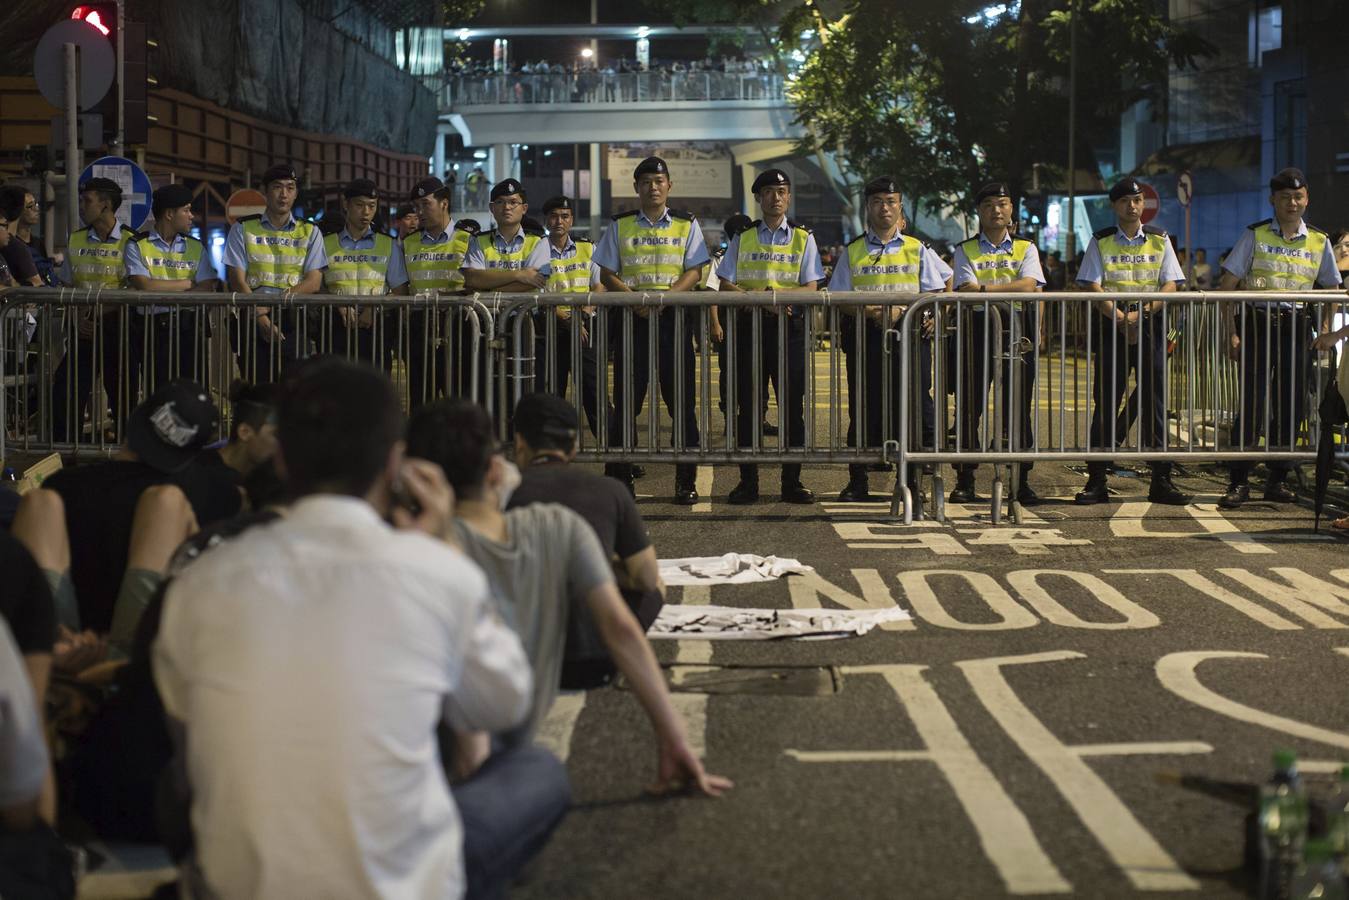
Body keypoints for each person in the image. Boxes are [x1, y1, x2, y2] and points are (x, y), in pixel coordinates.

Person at [153, 359, 565, 900]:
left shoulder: (199, 584)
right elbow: (507, 704)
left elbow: (187, 753)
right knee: (536, 770)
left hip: (241, 883)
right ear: (395, 462)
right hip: (398, 885)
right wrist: (443, 543)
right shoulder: (433, 571)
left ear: (280, 455)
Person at [407, 398, 731, 799]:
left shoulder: (404, 553)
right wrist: (674, 739)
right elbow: (624, 625)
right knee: (541, 770)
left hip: (396, 785)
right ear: (494, 469)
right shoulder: (557, 527)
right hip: (466, 785)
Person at [12, 381, 239, 656]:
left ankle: (51, 647)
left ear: (135, 418)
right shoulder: (212, 494)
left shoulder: (63, 486)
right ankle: (119, 659)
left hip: (55, 645)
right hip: (139, 649)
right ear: (193, 451)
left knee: (40, 503)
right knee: (166, 503)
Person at [507, 392, 664, 687]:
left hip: (524, 656)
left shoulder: (501, 496)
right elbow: (645, 578)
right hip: (595, 661)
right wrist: (598, 565)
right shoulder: (610, 490)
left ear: (520, 444)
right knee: (654, 581)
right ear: (575, 447)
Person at [1216, 167, 1342, 508]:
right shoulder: (1255, 235)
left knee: (1292, 403)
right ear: (1273, 200)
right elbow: (1227, 285)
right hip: (1257, 325)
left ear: (1307, 199)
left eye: (1298, 196)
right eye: (1285, 197)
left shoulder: (1318, 240)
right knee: (1253, 403)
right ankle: (1239, 481)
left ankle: (1277, 478)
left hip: (1298, 327)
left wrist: (1327, 330)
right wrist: (1231, 333)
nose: (1292, 202)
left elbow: (1332, 288)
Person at [593, 156, 710, 503]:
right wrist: (634, 300)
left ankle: (685, 480)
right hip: (632, 323)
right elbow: (606, 274)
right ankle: (618, 479)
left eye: (659, 181)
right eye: (646, 182)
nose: (653, 187)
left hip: (673, 321)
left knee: (682, 405)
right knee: (628, 404)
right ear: (636, 188)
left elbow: (695, 271)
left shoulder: (687, 225)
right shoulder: (620, 225)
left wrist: (664, 299)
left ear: (669, 186)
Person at [828, 176, 951, 503]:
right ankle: (858, 480)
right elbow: (838, 296)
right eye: (878, 202)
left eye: (891, 201)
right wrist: (866, 311)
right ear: (868, 207)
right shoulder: (853, 250)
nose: (885, 208)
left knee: (910, 404)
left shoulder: (917, 249)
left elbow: (936, 293)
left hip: (909, 338)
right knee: (863, 405)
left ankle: (910, 481)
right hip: (866, 338)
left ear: (900, 207)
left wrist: (920, 313)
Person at [1072, 179, 1191, 507]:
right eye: (1125, 201)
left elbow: (1171, 285)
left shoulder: (1159, 239)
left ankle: (1161, 480)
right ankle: (1097, 480)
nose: (1132, 206)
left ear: (1143, 204)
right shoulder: (1101, 241)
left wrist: (1141, 314)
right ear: (1115, 206)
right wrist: (1122, 319)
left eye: (1137, 200)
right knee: (1107, 401)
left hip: (1151, 324)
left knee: (1154, 403)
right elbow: (1092, 286)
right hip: (1113, 326)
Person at [716, 168, 820, 504]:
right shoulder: (743, 237)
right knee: (749, 409)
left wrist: (780, 300)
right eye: (769, 192)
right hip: (750, 329)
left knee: (793, 408)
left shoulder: (804, 238)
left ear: (788, 197)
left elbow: (811, 286)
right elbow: (725, 282)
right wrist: (759, 298)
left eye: (782, 191)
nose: (776, 198)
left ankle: (792, 482)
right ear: (759, 199)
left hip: (789, 330)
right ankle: (748, 482)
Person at [949, 181, 1046, 505]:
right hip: (975, 331)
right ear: (979, 211)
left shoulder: (1026, 248)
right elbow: (964, 289)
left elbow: (1031, 286)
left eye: (1002, 204)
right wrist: (1008, 289)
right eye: (989, 204)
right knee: (970, 406)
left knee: (1018, 408)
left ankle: (1021, 479)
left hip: (1018, 331)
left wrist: (985, 291)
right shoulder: (965, 249)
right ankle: (965, 478)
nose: (996, 210)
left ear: (1011, 210)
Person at [223, 163, 327, 382]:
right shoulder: (242, 228)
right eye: (277, 187)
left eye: (290, 188)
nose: (284, 194)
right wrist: (260, 316)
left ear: (296, 192)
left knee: (295, 395)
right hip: (253, 318)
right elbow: (236, 279)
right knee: (258, 392)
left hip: (294, 320)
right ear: (265, 192)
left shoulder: (310, 231)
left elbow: (314, 281)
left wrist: (275, 304)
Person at [50, 177, 134, 444]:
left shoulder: (132, 242)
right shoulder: (75, 240)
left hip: (119, 329)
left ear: (106, 205)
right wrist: (78, 318)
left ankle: (127, 454)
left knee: (124, 397)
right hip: (83, 328)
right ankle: (66, 455)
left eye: (87, 201)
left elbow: (135, 290)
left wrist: (98, 312)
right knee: (67, 391)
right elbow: (66, 285)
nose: (82, 206)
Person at [126, 183, 219, 391]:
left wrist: (161, 288)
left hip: (190, 330)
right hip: (153, 332)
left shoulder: (195, 246)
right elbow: (143, 285)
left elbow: (206, 287)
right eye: (186, 210)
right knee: (160, 395)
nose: (191, 215)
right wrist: (187, 284)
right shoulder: (137, 245)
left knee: (195, 394)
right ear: (169, 214)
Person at [403, 176, 474, 408]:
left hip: (459, 327)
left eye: (425, 204)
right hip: (420, 328)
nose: (419, 212)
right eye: (416, 207)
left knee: (461, 401)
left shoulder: (469, 240)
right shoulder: (407, 243)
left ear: (444, 203)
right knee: (422, 401)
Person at [322, 178, 409, 365]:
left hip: (376, 328)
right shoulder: (326, 244)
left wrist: (374, 307)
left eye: (372, 206)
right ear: (346, 204)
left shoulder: (388, 245)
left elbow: (401, 291)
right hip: (335, 326)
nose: (366, 212)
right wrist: (336, 303)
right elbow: (317, 286)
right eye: (360, 205)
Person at [539, 195, 606, 437]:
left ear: (572, 220)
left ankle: (616, 457)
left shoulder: (588, 248)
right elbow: (538, 292)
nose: (559, 221)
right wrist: (568, 319)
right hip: (552, 329)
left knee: (594, 391)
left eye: (564, 216)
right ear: (546, 220)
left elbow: (599, 285)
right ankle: (552, 453)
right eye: (554, 216)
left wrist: (584, 314)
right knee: (553, 395)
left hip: (585, 327)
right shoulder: (537, 251)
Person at [462, 179, 551, 293]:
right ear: (491, 208)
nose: (507, 207)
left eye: (513, 202)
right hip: (488, 310)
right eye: (500, 202)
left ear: (524, 208)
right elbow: (473, 279)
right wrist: (518, 274)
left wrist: (484, 287)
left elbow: (536, 282)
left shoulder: (539, 242)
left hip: (527, 310)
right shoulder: (478, 241)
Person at [0, 185, 42, 286]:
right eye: (29, 206)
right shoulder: (16, 248)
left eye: (36, 204)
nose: (36, 209)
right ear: (20, 211)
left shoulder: (36, 244)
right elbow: (37, 286)